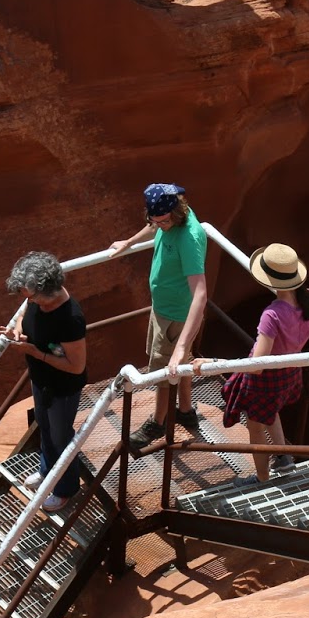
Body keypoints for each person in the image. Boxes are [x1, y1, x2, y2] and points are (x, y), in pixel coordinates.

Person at [200, 244, 309, 482]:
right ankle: (284, 458)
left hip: (264, 378)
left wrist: (215, 362)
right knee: (270, 411)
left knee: (255, 427)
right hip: (290, 372)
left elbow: (257, 364)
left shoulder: (272, 314)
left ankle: (263, 477)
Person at [109, 183, 209, 451]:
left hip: (176, 316)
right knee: (179, 365)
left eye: (164, 221)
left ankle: (158, 421)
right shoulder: (170, 215)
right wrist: (129, 242)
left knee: (165, 373)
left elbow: (200, 295)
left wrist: (179, 347)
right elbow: (154, 226)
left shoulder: (189, 237)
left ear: (176, 212)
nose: (159, 225)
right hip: (163, 309)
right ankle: (186, 410)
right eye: (155, 219)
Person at [0, 251, 89, 512]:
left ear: (46, 291)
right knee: (45, 429)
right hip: (41, 380)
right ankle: (47, 471)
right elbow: (23, 314)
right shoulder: (38, 301)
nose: (26, 300)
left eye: (29, 295)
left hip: (62, 389)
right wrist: (17, 330)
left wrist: (35, 353)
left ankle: (65, 489)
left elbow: (76, 366)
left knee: (61, 437)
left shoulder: (70, 318)